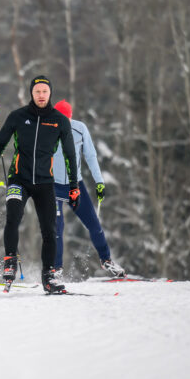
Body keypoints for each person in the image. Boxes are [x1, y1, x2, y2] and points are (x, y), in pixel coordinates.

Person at [0, 76, 79, 294]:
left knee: (50, 230)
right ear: (31, 93)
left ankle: (49, 277)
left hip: (44, 182)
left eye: (44, 91)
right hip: (18, 179)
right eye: (37, 91)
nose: (41, 95)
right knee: (13, 217)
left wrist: (74, 186)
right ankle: (10, 262)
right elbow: (0, 143)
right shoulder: (18, 116)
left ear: (50, 93)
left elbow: (70, 155)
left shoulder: (60, 121)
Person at [50, 100, 125, 278]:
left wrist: (99, 182)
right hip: (53, 186)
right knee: (56, 229)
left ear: (71, 117)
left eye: (66, 119)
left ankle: (106, 260)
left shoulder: (80, 128)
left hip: (75, 185)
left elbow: (90, 156)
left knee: (94, 224)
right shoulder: (47, 130)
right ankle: (55, 269)